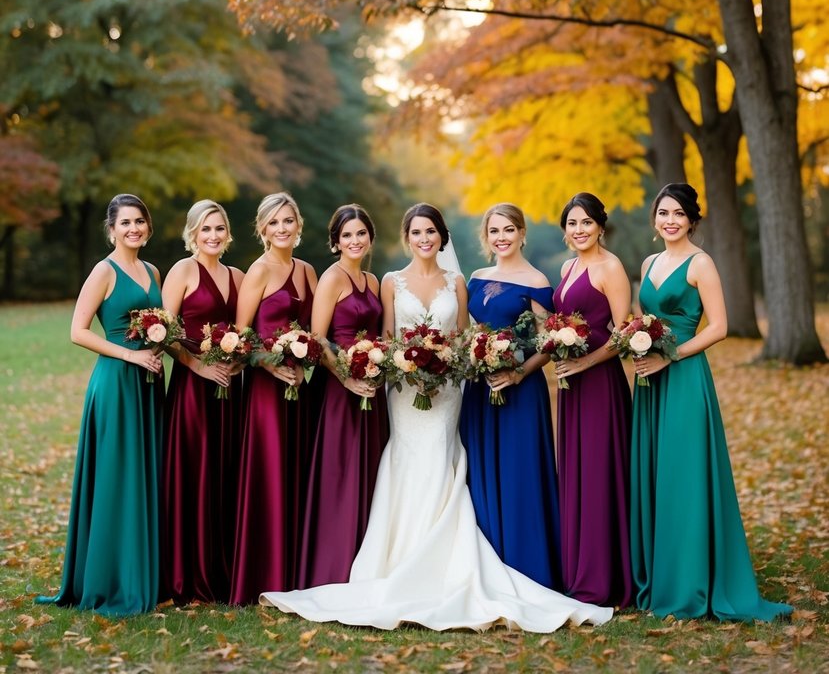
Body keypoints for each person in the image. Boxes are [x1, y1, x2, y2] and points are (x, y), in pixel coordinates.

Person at [260, 202, 612, 631]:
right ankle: (397, 558)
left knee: (444, 461)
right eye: (416, 233)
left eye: (430, 232)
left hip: (448, 392)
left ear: (441, 237)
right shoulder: (389, 282)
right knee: (408, 460)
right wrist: (403, 366)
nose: (424, 239)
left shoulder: (458, 282)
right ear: (406, 239)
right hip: (405, 392)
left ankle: (451, 561)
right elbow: (388, 338)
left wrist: (453, 362)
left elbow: (466, 337)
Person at [630, 182, 792, 621]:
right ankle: (658, 575)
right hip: (649, 381)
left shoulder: (701, 263)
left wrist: (670, 357)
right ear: (655, 218)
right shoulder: (649, 262)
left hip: (682, 377)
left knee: (683, 475)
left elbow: (719, 327)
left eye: (679, 214)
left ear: (692, 220)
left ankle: (690, 582)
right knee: (656, 473)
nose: (670, 220)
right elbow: (644, 317)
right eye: (663, 212)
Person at [36, 194, 164, 616]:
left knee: (141, 476)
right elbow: (78, 330)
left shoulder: (151, 270)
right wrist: (130, 355)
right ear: (111, 229)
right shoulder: (103, 272)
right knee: (115, 478)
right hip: (115, 382)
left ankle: (140, 570)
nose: (134, 229)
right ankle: (110, 579)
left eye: (140, 221)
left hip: (147, 384)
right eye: (125, 222)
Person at [459, 202, 562, 589]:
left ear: (521, 233)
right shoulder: (476, 276)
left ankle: (526, 565)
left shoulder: (536, 281)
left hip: (520, 391)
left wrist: (518, 372)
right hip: (479, 391)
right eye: (494, 232)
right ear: (486, 237)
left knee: (520, 473)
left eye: (508, 230)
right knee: (480, 473)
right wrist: (475, 357)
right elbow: (469, 329)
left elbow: (549, 342)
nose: (501, 238)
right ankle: (485, 565)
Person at [293, 203, 389, 589]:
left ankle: (367, 560)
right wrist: (347, 378)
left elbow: (381, 334)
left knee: (369, 471)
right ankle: (333, 566)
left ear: (369, 238)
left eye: (360, 233)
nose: (354, 240)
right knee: (340, 475)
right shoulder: (332, 279)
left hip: (372, 387)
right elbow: (317, 338)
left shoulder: (374, 280)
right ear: (335, 241)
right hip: (338, 389)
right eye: (346, 235)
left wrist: (380, 367)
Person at [229, 192, 318, 604]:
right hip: (266, 389)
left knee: (296, 470)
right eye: (274, 223)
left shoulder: (307, 271)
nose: (282, 229)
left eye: (288, 221)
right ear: (263, 229)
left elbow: (317, 331)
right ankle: (263, 573)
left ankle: (296, 568)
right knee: (269, 472)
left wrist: (305, 361)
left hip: (298, 387)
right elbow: (240, 335)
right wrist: (268, 363)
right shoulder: (258, 271)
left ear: (298, 225)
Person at [161, 199, 244, 603]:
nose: (212, 236)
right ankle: (185, 573)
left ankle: (221, 568)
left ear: (228, 233)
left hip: (229, 388)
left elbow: (249, 332)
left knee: (224, 472)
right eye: (205, 229)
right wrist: (196, 365)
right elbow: (164, 331)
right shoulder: (182, 271)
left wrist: (239, 362)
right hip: (193, 389)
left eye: (219, 229)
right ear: (192, 233)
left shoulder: (237, 276)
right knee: (194, 472)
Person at [553, 192, 633, 607]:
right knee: (576, 472)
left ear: (600, 226)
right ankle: (579, 568)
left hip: (601, 385)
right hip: (572, 390)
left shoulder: (611, 267)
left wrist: (584, 365)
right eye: (572, 223)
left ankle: (606, 577)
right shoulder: (568, 267)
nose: (579, 230)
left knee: (600, 473)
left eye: (586, 222)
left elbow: (623, 334)